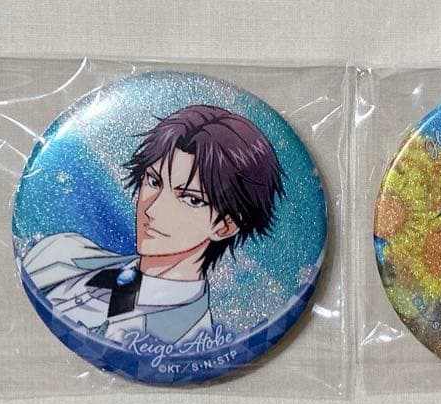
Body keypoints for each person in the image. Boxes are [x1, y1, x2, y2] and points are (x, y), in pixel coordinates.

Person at [21, 105, 284, 345]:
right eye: (154, 182)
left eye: (191, 199)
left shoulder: (185, 345)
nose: (153, 209)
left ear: (225, 227)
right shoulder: (63, 251)